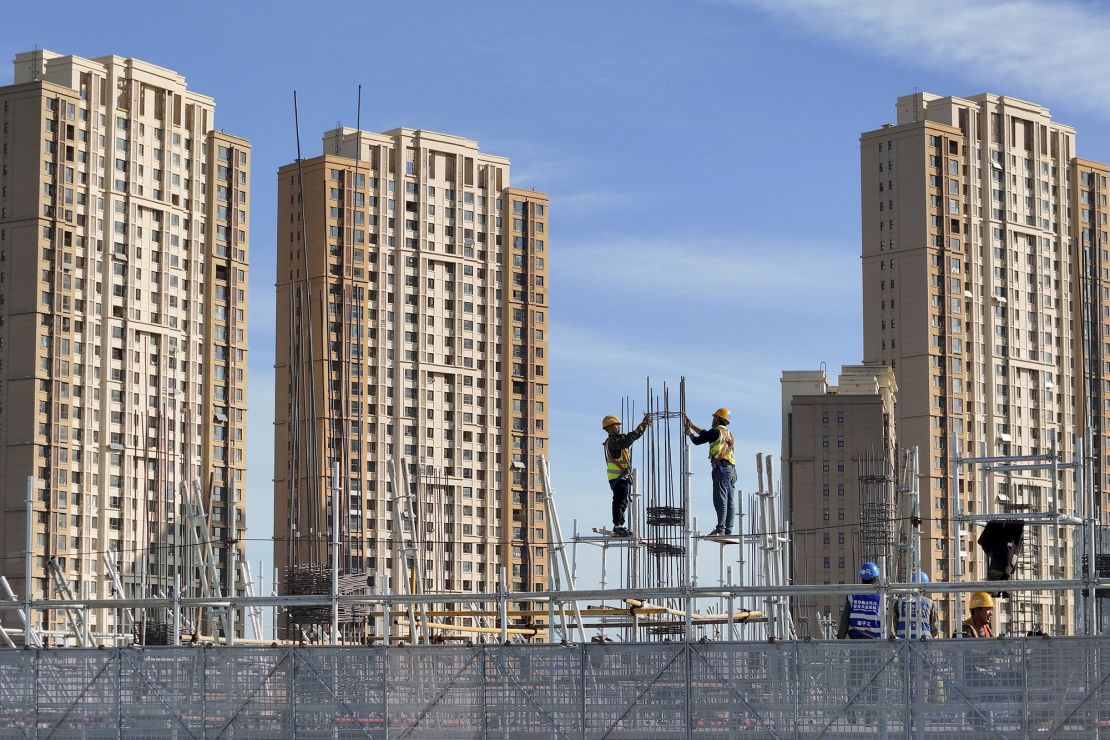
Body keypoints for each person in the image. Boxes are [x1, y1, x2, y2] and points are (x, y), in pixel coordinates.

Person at [684, 408, 736, 536]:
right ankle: (728, 529)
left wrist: (689, 432)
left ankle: (720, 529)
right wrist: (691, 425)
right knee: (729, 500)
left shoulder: (715, 431)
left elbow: (697, 440)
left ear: (718, 418)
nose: (712, 419)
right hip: (731, 470)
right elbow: (705, 433)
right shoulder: (728, 433)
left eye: (714, 417)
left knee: (720, 499)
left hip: (721, 469)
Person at [602, 413, 650, 536]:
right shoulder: (613, 442)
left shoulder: (618, 439)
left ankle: (620, 525)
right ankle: (618, 525)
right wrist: (638, 429)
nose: (619, 427)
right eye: (616, 425)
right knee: (619, 500)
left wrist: (642, 427)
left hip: (622, 477)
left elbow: (630, 438)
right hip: (617, 477)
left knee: (623, 501)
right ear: (609, 428)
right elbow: (626, 442)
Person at [837, 561, 882, 639]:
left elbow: (845, 620)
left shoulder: (852, 596)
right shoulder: (881, 597)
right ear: (876, 577)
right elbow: (888, 620)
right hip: (876, 642)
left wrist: (840, 638)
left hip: (856, 642)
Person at [894, 571, 940, 639]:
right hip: (924, 643)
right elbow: (935, 628)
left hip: (902, 643)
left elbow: (894, 624)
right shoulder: (929, 602)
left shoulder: (899, 602)